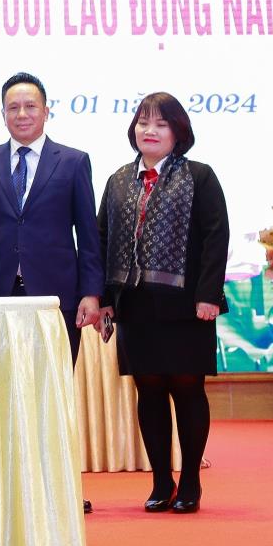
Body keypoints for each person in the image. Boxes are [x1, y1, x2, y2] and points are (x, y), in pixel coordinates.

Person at [96, 92, 228, 515]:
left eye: (160, 124)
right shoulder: (118, 180)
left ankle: (190, 481)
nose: (149, 131)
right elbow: (102, 240)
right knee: (149, 390)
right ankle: (160, 481)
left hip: (187, 305)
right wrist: (104, 300)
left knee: (188, 390)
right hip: (134, 304)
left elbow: (216, 237)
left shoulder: (199, 176)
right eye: (143, 122)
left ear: (178, 132)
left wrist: (209, 295)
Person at [0, 72, 102, 359]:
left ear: (46, 112)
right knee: (0, 378)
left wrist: (91, 293)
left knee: (54, 379)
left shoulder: (74, 161)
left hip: (57, 295)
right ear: (3, 114)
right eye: (13, 107)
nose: (22, 114)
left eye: (31, 106)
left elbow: (88, 235)